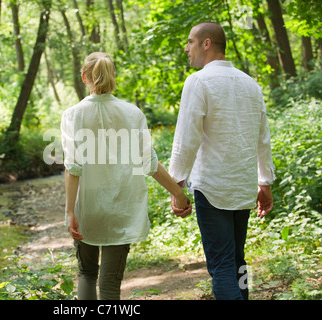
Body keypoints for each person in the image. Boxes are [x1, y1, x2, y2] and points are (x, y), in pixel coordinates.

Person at [61, 52, 192, 300]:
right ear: (113, 77)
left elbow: (73, 168)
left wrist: (70, 211)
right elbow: (150, 163)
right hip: (122, 207)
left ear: (83, 77)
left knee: (86, 274)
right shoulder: (133, 114)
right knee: (110, 282)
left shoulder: (73, 115)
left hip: (87, 208)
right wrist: (179, 194)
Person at [168, 22, 275, 300]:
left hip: (213, 188)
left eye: (190, 41)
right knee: (238, 261)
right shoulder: (251, 84)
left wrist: (175, 184)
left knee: (222, 266)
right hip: (242, 187)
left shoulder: (198, 81)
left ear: (206, 43)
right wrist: (264, 181)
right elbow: (263, 138)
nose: (186, 48)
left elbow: (186, 138)